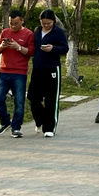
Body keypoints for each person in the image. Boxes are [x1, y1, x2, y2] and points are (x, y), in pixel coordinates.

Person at [27, 9, 69, 137]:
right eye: (43, 23)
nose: (45, 25)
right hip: (38, 68)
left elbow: (65, 48)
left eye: (48, 23)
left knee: (51, 99)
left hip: (52, 69)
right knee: (33, 97)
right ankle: (40, 120)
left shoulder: (58, 32)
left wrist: (53, 49)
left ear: (53, 21)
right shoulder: (37, 31)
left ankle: (49, 128)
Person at [0, 9, 35, 137]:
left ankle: (16, 127)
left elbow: (31, 52)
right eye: (11, 23)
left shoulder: (28, 34)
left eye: (16, 23)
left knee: (19, 101)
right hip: (4, 71)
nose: (13, 26)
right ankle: (5, 121)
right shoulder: (5, 32)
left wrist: (18, 47)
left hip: (19, 73)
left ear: (22, 21)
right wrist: (2, 47)